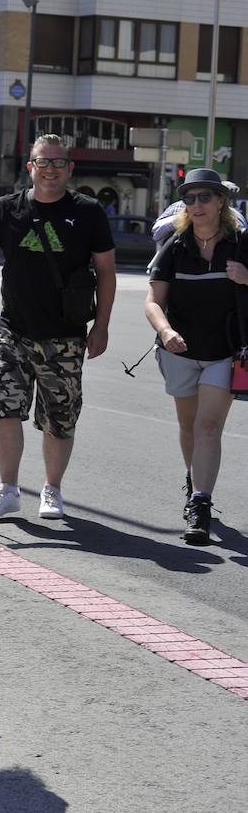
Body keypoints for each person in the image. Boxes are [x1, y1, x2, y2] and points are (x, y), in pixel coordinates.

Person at [0, 134, 116, 521]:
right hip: (13, 331)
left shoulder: (88, 212)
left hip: (66, 335)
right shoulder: (7, 209)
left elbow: (106, 272)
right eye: (43, 161)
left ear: (70, 168)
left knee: (60, 416)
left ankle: (52, 490)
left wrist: (100, 326)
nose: (50, 169)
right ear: (30, 167)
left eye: (58, 162)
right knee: (4, 408)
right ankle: (8, 489)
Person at [143, 167, 248, 545]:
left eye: (205, 196)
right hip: (180, 351)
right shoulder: (176, 245)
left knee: (207, 427)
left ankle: (200, 505)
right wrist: (165, 330)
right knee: (189, 427)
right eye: (190, 198)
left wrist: (246, 276)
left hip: (225, 352)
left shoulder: (240, 244)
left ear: (221, 201)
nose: (197, 204)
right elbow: (154, 300)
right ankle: (195, 482)